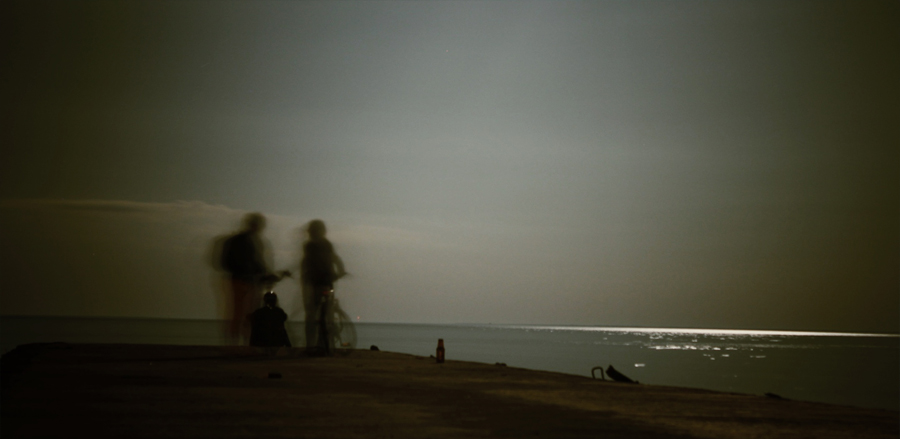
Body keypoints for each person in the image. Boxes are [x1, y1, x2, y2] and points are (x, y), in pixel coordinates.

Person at [220, 213, 271, 344]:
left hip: (244, 280)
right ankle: (240, 342)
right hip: (243, 280)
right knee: (242, 312)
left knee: (241, 312)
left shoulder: (246, 240)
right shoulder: (250, 241)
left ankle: (237, 342)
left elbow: (226, 262)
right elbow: (258, 262)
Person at [300, 219, 347, 354]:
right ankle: (326, 345)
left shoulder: (310, 245)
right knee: (326, 314)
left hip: (315, 282)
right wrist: (340, 272)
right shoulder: (324, 244)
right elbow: (334, 259)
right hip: (325, 281)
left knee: (312, 315)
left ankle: (311, 346)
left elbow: (307, 264)